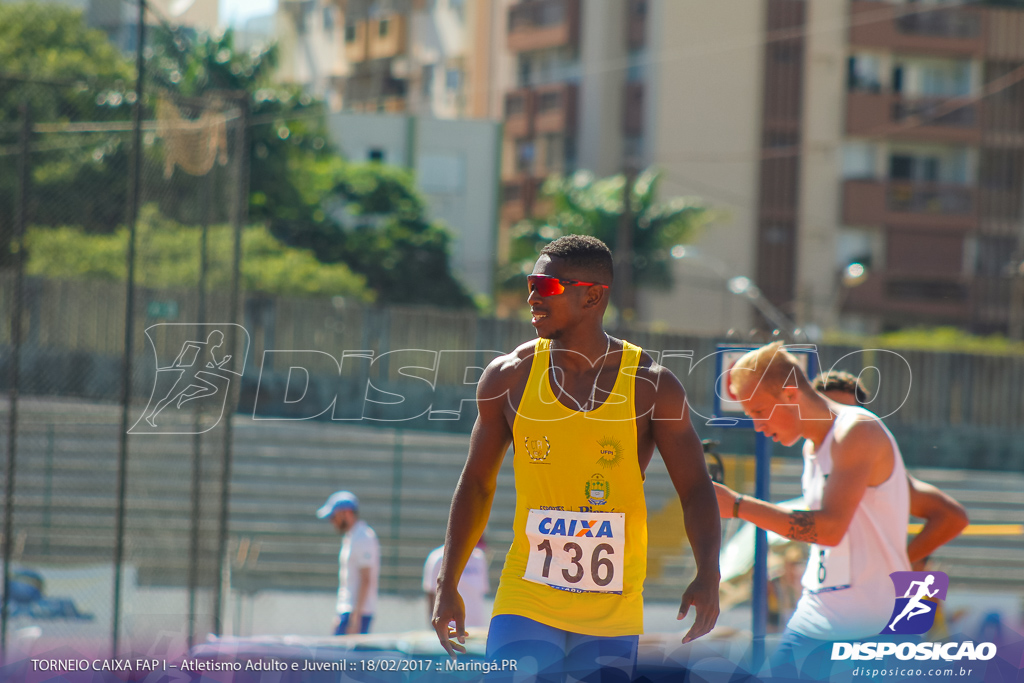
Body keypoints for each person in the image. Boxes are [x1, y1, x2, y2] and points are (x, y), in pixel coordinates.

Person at [431, 235, 721, 681]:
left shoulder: (651, 385)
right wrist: (447, 582)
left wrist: (709, 573)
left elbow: (696, 488)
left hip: (613, 607)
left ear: (592, 296)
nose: (531, 295)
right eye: (531, 283)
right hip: (528, 596)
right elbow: (476, 483)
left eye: (546, 285)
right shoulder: (508, 377)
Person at [711, 343, 918, 679]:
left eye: (760, 411)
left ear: (791, 394)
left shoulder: (856, 430)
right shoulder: (812, 448)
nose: (758, 427)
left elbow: (829, 530)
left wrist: (738, 505)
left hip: (872, 619)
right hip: (821, 610)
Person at [813, 370, 969, 566]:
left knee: (929, 591)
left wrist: (899, 564)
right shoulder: (812, 455)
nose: (834, 420)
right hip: (830, 586)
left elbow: (954, 517)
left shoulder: (869, 463)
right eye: (828, 409)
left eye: (842, 412)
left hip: (874, 590)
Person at [316, 490, 380, 635]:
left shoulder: (363, 537)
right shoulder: (351, 537)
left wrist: (355, 618)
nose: (332, 520)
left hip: (357, 613)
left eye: (334, 516)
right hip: (348, 611)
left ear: (347, 513)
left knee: (344, 657)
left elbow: (365, 579)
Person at [423, 538, 489, 628]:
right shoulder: (439, 558)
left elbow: (480, 592)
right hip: (451, 629)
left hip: (477, 627)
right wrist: (434, 625)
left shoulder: (479, 558)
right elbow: (431, 593)